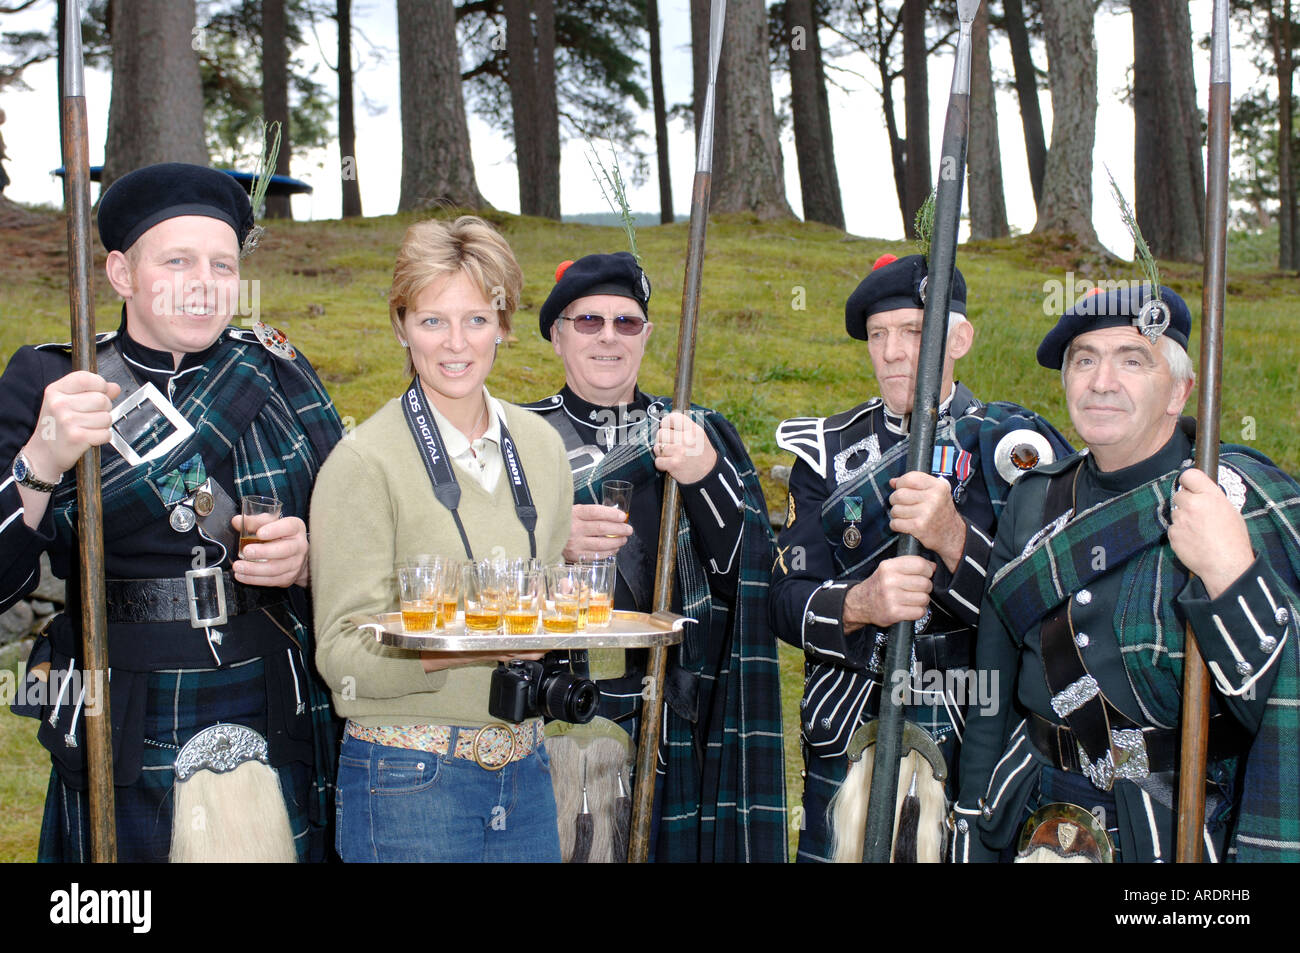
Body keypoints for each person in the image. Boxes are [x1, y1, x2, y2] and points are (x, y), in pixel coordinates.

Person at [0, 162, 344, 861]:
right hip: (124, 711)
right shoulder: (53, 380)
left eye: (222, 263)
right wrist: (42, 458)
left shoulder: (278, 371)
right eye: (177, 259)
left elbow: (362, 540)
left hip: (275, 693)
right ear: (122, 273)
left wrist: (311, 559)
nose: (203, 281)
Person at [952, 284, 1300, 863]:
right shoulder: (1033, 500)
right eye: (1084, 359)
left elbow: (1278, 702)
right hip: (1030, 810)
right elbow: (994, 681)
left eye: (1132, 360)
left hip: (1174, 825)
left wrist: (1230, 574)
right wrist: (973, 811)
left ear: (1179, 391)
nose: (1101, 381)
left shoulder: (1240, 501)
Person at [769, 252, 1071, 863]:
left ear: (959, 338)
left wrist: (955, 538)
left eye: (914, 331)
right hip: (848, 724)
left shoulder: (1015, 449)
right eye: (878, 336)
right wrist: (860, 603)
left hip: (972, 724)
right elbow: (782, 599)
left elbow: (1050, 611)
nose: (893, 352)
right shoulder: (826, 452)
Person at [310, 216, 573, 863]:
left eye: (477, 319)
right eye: (432, 320)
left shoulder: (541, 449)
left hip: (526, 771)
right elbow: (339, 659)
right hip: (408, 780)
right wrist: (455, 646)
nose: (456, 343)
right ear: (401, 325)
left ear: (504, 325)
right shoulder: (363, 461)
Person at [522, 251, 787, 862]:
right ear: (558, 336)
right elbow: (471, 569)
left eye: (627, 322)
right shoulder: (517, 437)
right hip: (545, 705)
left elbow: (750, 578)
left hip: (665, 709)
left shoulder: (696, 432)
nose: (609, 337)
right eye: (589, 322)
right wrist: (551, 543)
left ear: (647, 337)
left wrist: (705, 478)